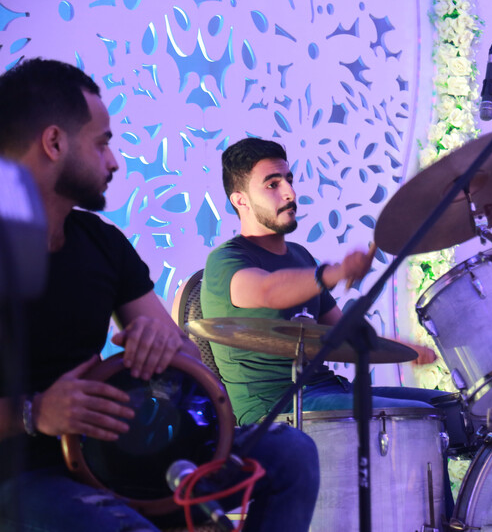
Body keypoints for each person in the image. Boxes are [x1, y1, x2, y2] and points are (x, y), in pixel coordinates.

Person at [0, 58, 319, 531]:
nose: (113, 161)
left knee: (291, 452)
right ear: (54, 143)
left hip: (120, 454)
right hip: (26, 474)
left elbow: (186, 358)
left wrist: (161, 343)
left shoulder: (101, 242)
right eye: (103, 144)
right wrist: (35, 412)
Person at [201, 137, 447, 425]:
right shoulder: (225, 261)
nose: (290, 193)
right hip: (272, 409)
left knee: (442, 406)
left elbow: (342, 334)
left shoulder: (300, 255)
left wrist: (403, 349)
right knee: (415, 417)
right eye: (272, 184)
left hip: (328, 390)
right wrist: (335, 272)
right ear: (240, 199)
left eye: (289, 180)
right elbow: (268, 291)